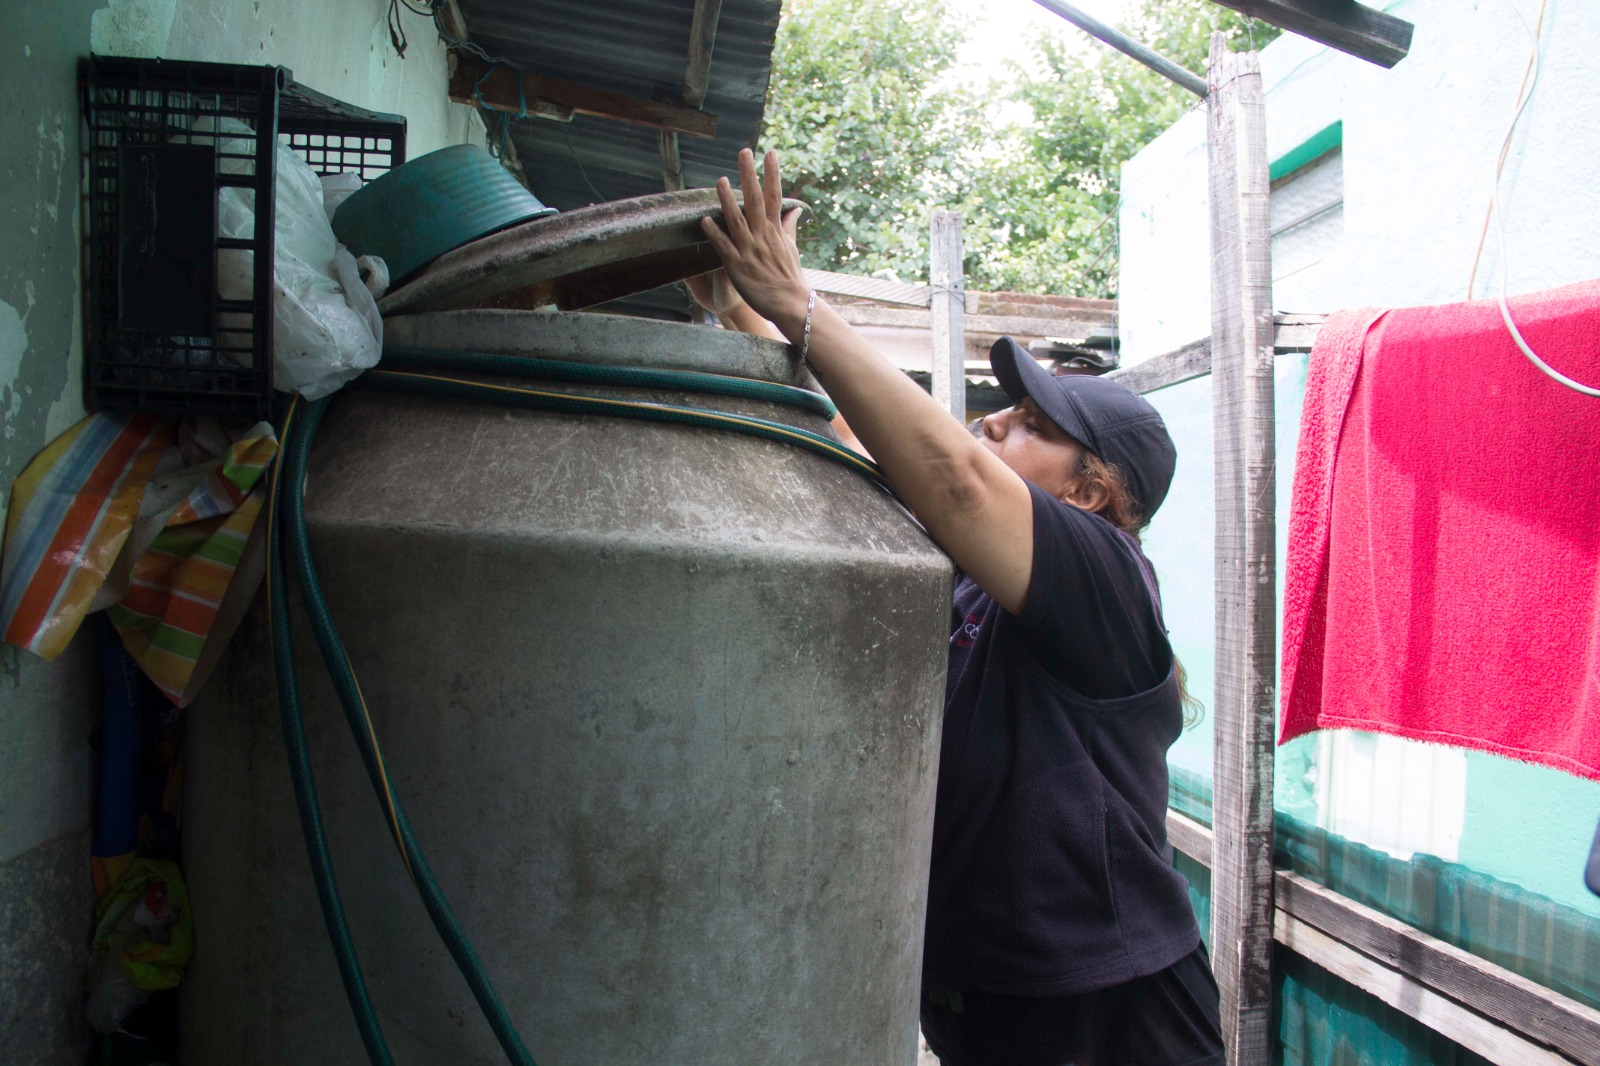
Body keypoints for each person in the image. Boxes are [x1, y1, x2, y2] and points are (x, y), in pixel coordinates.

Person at [697, 149, 1223, 1066]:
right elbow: (863, 450)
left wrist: (801, 306)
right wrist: (742, 303)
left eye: (1032, 424)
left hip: (1107, 1008)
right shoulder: (983, 583)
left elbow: (955, 478)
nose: (992, 421)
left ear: (1094, 493)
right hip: (987, 993)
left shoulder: (1105, 573)